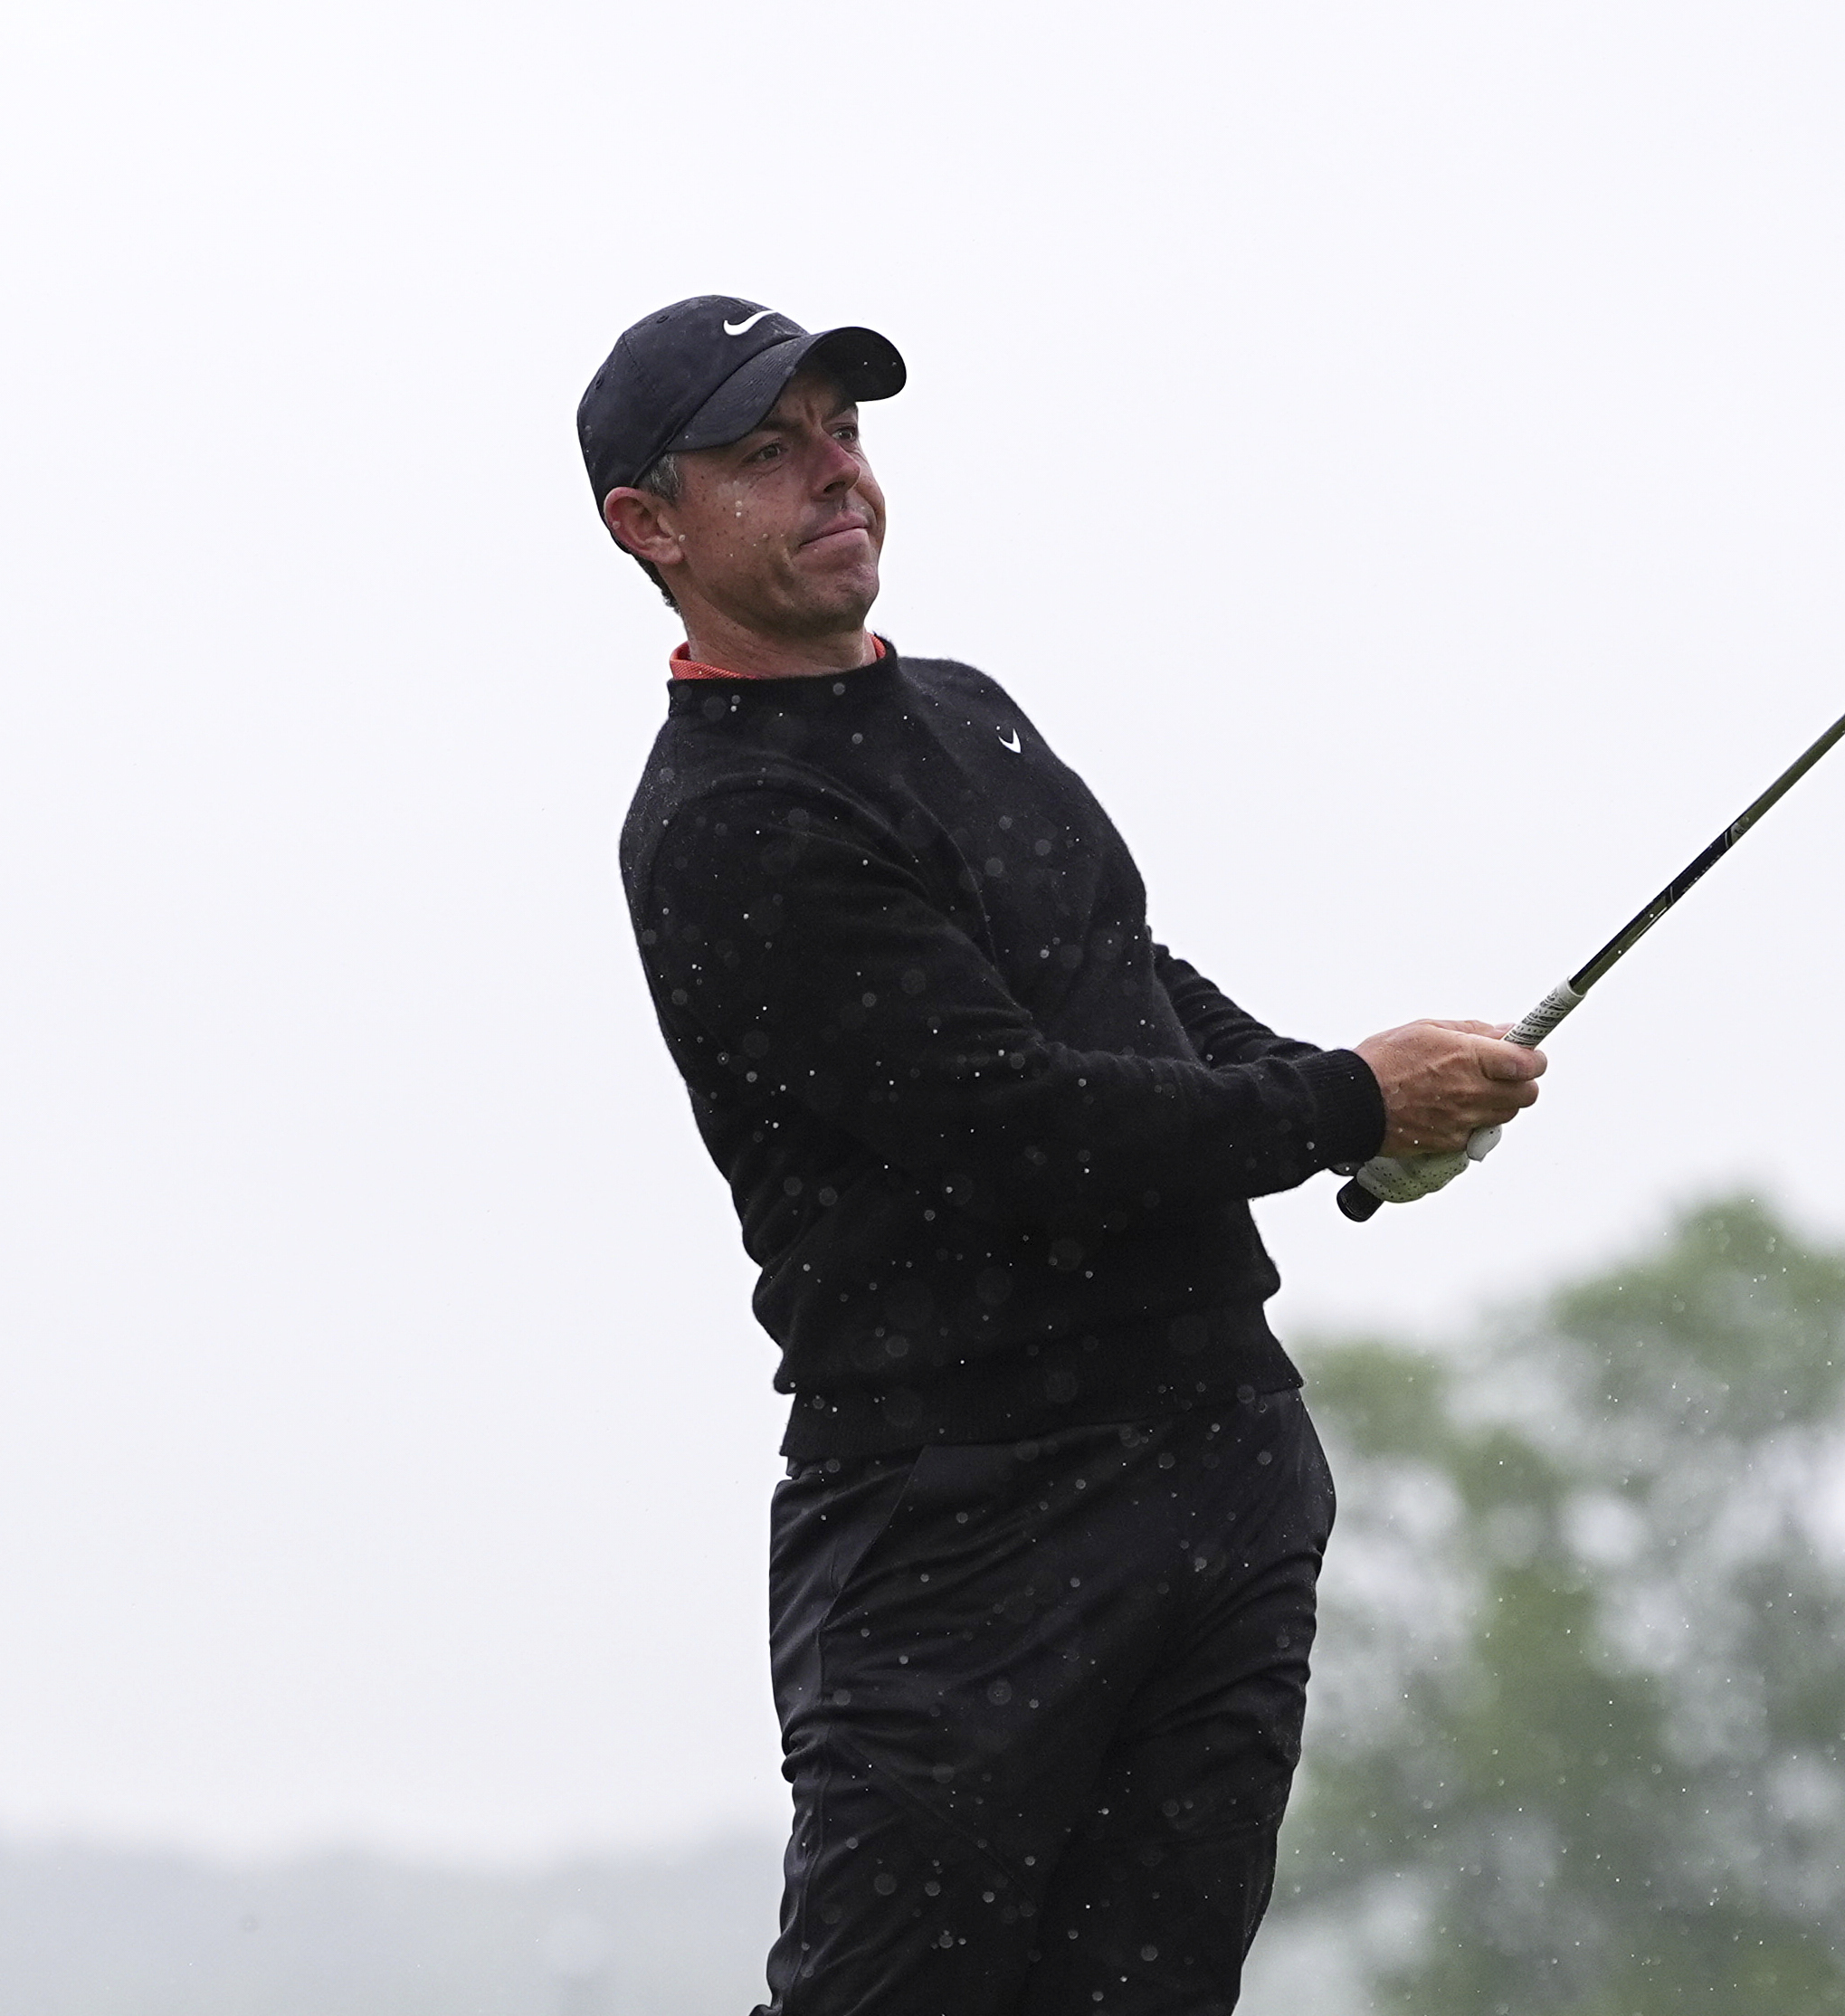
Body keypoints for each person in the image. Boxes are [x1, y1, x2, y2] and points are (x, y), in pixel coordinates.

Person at [576, 296, 1545, 2016]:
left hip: (1220, 1466)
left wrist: (1356, 1103)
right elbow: (1010, 1126)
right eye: (763, 454)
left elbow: (1119, 968)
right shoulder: (731, 826)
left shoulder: (962, 708)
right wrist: (1337, 1106)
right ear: (647, 527)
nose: (832, 479)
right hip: (965, 1524)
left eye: (842, 433)